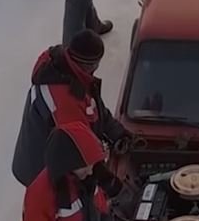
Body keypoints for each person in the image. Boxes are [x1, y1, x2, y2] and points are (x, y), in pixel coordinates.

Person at [11, 29, 131, 203]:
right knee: (58, 214)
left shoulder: (65, 65)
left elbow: (94, 107)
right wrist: (108, 181)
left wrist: (117, 132)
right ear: (90, 64)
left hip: (48, 155)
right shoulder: (64, 98)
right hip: (41, 170)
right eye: (95, 65)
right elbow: (78, 150)